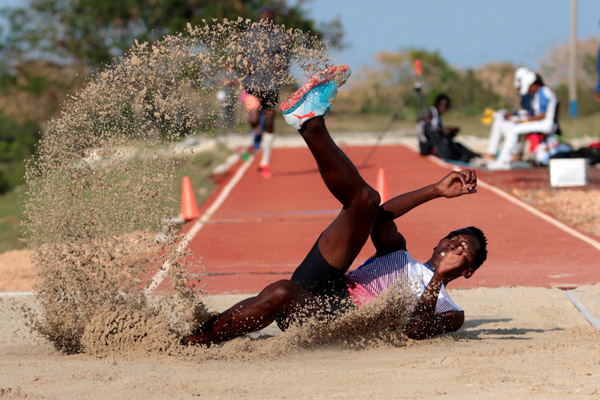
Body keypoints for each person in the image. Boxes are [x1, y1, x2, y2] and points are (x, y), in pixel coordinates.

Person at [181, 65, 488, 346]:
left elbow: (416, 329)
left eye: (465, 249)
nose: (457, 245)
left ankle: (198, 341)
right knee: (367, 202)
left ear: (469, 270)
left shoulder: (452, 311)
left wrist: (435, 279)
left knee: (280, 292)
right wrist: (435, 190)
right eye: (456, 238)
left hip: (339, 317)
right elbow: (379, 219)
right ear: (439, 242)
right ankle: (310, 123)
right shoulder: (399, 254)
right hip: (331, 282)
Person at [240, 7, 290, 178]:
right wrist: (244, 64)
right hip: (252, 85)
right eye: (263, 18)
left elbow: (285, 59)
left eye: (269, 18)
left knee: (269, 121)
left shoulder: (280, 37)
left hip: (271, 86)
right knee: (254, 119)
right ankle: (257, 137)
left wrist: (281, 66)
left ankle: (265, 162)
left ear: (273, 20)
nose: (266, 20)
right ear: (258, 19)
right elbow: (239, 57)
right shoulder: (248, 36)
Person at [486, 71, 559, 170]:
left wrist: (526, 121)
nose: (529, 91)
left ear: (534, 84)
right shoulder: (540, 92)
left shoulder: (544, 92)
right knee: (514, 128)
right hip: (543, 122)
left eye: (529, 88)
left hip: (546, 124)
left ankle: (504, 160)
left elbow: (543, 115)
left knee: (514, 130)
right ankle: (507, 158)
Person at [418, 93, 480, 163]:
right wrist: (440, 130)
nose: (444, 108)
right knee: (445, 141)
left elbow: (438, 128)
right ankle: (458, 156)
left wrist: (448, 130)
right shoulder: (431, 112)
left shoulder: (438, 115)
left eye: (446, 106)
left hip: (434, 142)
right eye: (443, 106)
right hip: (426, 146)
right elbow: (425, 123)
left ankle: (471, 155)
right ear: (437, 104)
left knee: (454, 142)